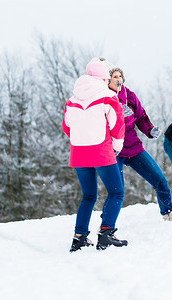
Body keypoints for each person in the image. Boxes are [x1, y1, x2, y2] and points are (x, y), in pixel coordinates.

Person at [63, 57, 128, 252]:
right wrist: (117, 146)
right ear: (103, 77)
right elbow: (117, 125)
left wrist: (81, 140)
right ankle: (106, 233)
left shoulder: (72, 99)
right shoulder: (108, 96)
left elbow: (67, 127)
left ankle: (79, 236)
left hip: (79, 153)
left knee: (89, 195)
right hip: (101, 151)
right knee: (116, 192)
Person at [100, 58, 172, 221]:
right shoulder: (103, 98)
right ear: (107, 81)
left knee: (160, 180)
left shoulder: (129, 95)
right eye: (114, 77)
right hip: (114, 151)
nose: (118, 79)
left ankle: (168, 214)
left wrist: (150, 129)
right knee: (116, 191)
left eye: (120, 76)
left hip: (134, 148)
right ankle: (106, 224)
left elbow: (141, 117)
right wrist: (119, 117)